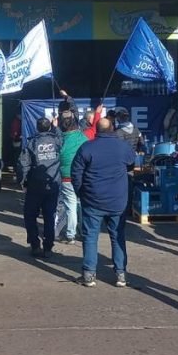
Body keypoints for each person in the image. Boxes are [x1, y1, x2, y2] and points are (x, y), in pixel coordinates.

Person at [71, 118, 136, 288]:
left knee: (90, 237)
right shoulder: (123, 147)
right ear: (112, 128)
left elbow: (75, 173)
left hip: (92, 200)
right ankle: (121, 274)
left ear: (96, 130)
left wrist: (81, 193)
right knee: (118, 236)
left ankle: (88, 275)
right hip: (117, 201)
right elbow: (131, 164)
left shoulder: (87, 147)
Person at [18, 117, 62, 258]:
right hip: (52, 183)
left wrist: (23, 182)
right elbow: (62, 138)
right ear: (49, 127)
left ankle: (35, 245)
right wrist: (56, 127)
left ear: (37, 128)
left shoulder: (32, 142)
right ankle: (48, 247)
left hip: (35, 185)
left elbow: (23, 164)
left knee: (30, 215)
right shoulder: (56, 140)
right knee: (50, 216)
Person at [55, 113, 88, 245]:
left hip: (66, 178)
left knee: (71, 207)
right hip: (83, 177)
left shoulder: (60, 140)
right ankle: (83, 231)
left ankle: (70, 234)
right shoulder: (83, 137)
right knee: (81, 205)